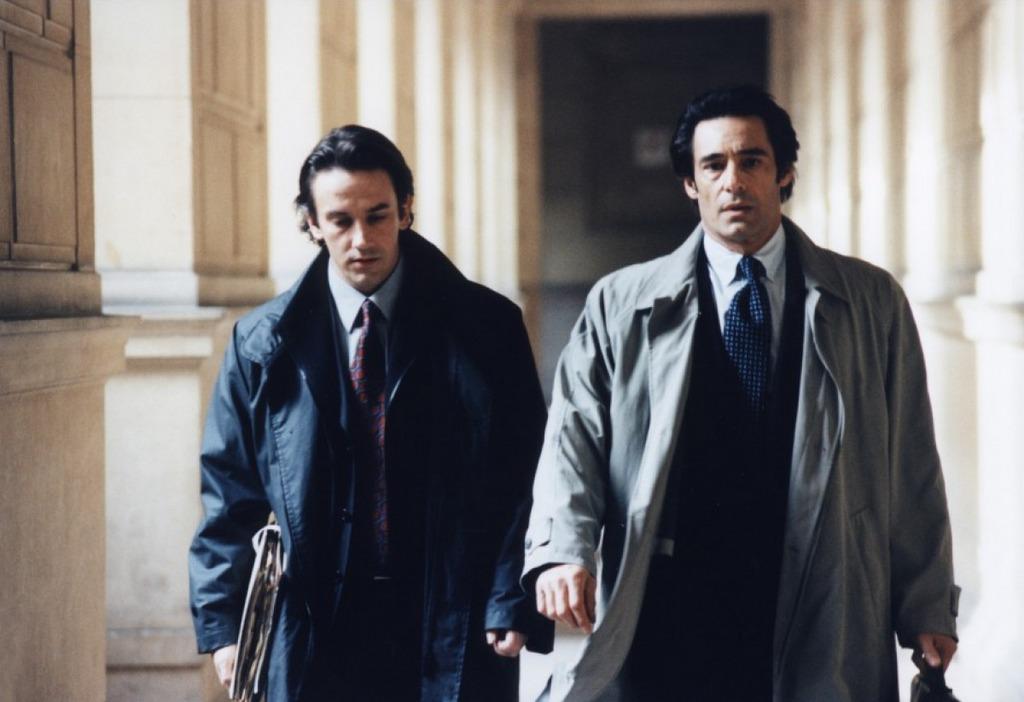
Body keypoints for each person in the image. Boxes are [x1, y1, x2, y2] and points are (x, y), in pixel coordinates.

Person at [523, 86, 959, 701]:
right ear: (690, 184)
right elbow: (573, 440)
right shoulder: (619, 304)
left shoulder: (870, 300)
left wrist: (927, 605)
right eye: (713, 165)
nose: (733, 181)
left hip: (817, 583)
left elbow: (911, 463)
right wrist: (563, 548)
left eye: (751, 161)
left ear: (784, 174)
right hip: (671, 594)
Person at [189, 125, 552, 701]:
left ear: (405, 210)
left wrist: (512, 594)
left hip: (448, 608)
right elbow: (230, 493)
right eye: (340, 220)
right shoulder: (261, 344)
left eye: (378, 216)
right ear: (312, 223)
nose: (362, 239)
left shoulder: (488, 327)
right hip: (315, 621)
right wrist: (225, 626)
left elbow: (525, 470)